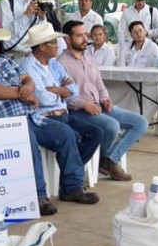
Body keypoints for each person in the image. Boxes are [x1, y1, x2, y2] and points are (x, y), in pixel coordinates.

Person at [0, 23, 98, 213]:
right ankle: (37, 196)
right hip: (2, 124)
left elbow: (26, 78)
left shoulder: (4, 60)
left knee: (66, 133)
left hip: (31, 115)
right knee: (27, 140)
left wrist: (28, 87)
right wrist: (21, 93)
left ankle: (72, 187)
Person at [57, 20, 145, 180]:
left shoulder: (89, 58)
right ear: (68, 39)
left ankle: (109, 159)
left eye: (85, 34)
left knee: (140, 122)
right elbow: (65, 95)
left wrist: (105, 99)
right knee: (112, 126)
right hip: (79, 111)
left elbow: (99, 84)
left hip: (100, 106)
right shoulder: (60, 63)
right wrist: (85, 104)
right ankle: (104, 160)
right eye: (79, 35)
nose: (85, 38)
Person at [19, 23, 105, 168]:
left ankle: (72, 172)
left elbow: (74, 88)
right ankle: (73, 180)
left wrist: (56, 90)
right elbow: (43, 98)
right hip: (45, 117)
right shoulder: (29, 66)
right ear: (42, 47)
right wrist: (63, 92)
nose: (57, 45)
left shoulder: (54, 64)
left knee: (96, 133)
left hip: (63, 115)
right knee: (72, 135)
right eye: (53, 42)